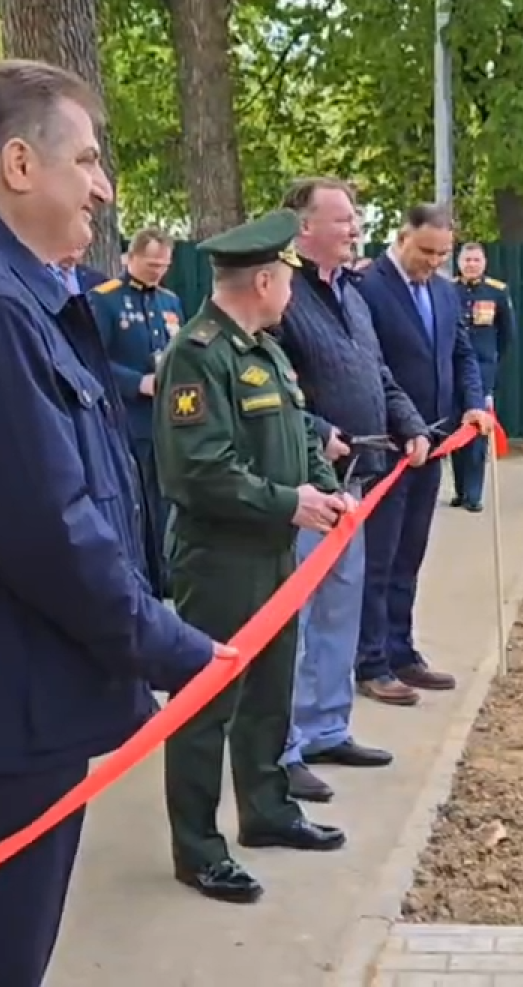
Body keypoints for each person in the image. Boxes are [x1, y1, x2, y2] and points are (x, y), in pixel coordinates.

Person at [0, 58, 228, 985]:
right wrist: (172, 648)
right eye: (88, 161)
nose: (103, 189)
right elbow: (46, 529)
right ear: (20, 165)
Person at [155, 208, 356, 904]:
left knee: (269, 693)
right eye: (288, 281)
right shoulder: (198, 354)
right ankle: (198, 848)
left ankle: (267, 810)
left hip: (272, 551)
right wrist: (289, 503)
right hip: (220, 559)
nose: (293, 293)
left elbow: (298, 435)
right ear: (264, 281)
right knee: (206, 704)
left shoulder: (263, 350)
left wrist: (329, 491)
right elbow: (199, 471)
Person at [270, 176, 427, 800]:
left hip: (355, 482)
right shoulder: (280, 294)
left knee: (339, 612)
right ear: (303, 228)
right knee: (297, 623)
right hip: (303, 490)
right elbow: (266, 389)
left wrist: (410, 423)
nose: (356, 228)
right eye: (343, 219)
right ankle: (281, 749)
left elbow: (377, 372)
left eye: (355, 218)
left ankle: (325, 728)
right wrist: (316, 430)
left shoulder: (353, 295)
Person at [359, 204, 491, 700]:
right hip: (388, 445)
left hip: (433, 444)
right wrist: (403, 425)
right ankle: (370, 662)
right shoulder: (368, 287)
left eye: (443, 254)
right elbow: (368, 367)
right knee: (379, 558)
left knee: (409, 555)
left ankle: (401, 652)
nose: (434, 262)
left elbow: (462, 353)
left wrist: (473, 404)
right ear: (402, 237)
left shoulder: (444, 290)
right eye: (426, 252)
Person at [88, 227, 185, 589]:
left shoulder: (170, 302)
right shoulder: (106, 300)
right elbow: (92, 360)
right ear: (131, 258)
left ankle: (166, 575)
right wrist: (136, 383)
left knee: (166, 503)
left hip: (167, 421)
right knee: (135, 502)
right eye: (151, 264)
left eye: (163, 266)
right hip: (128, 420)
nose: (157, 272)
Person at [448, 242, 515, 511]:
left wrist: (493, 365)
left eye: (476, 260)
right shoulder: (448, 290)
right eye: (467, 260)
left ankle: (473, 495)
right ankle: (460, 489)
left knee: (477, 432)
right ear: (459, 262)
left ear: (484, 263)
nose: (471, 264)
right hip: (453, 369)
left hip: (482, 370)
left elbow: (507, 335)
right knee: (455, 429)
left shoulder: (497, 291)